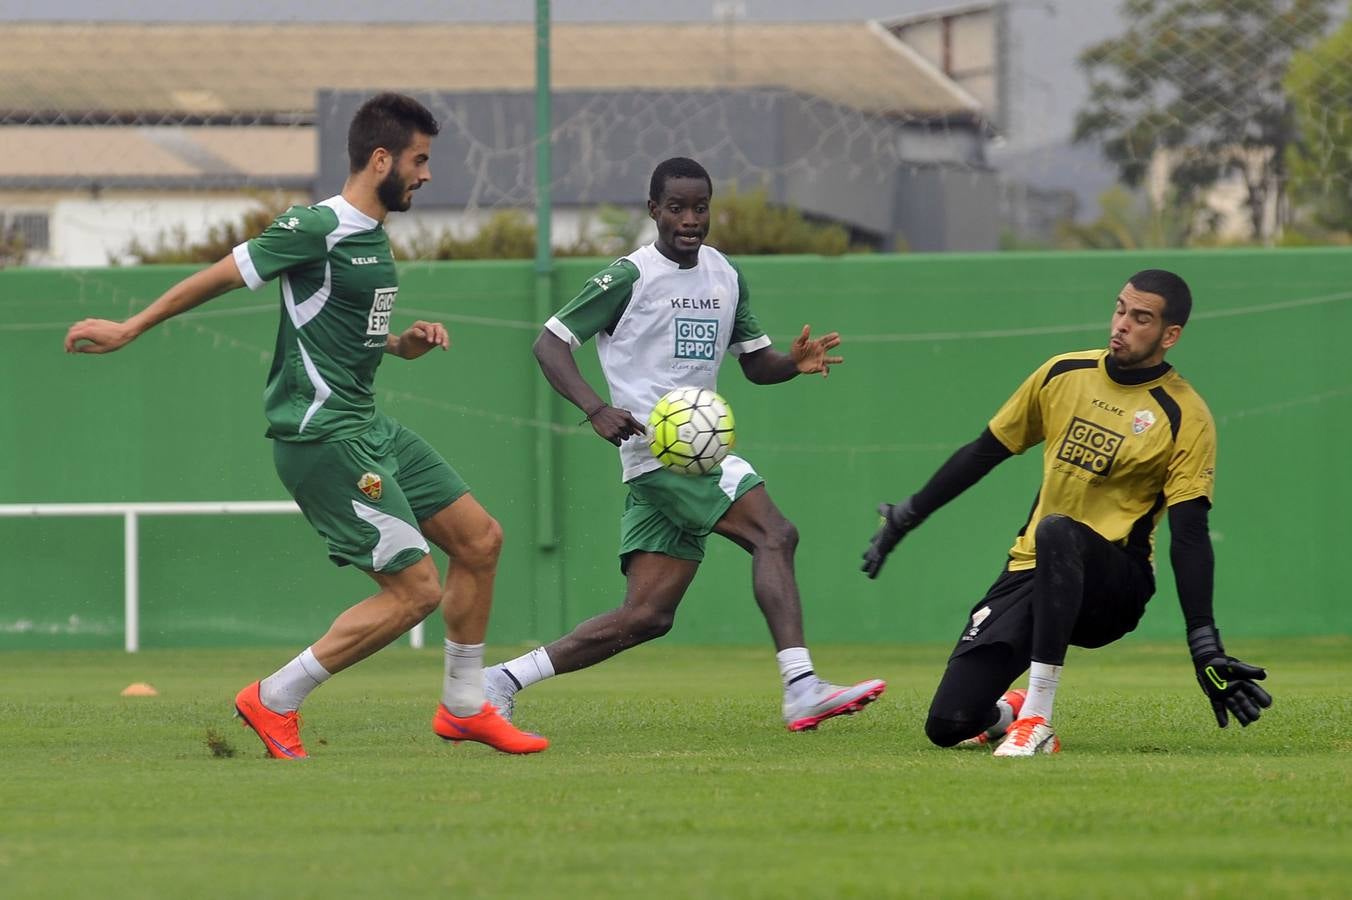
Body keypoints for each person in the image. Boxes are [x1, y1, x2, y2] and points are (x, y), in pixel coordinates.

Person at [64, 93, 546, 759]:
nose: (426, 174)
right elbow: (220, 276)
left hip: (368, 425)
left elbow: (342, 332)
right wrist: (131, 326)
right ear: (381, 159)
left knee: (481, 541)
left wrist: (404, 343)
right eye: (419, 160)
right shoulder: (315, 227)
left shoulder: (371, 239)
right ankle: (275, 697)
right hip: (322, 437)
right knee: (416, 591)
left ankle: (465, 706)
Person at [484, 157, 885, 732]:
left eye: (700, 208)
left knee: (645, 616)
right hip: (662, 454)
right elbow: (550, 344)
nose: (690, 219)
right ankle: (801, 686)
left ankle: (502, 679)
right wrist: (595, 408)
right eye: (676, 208)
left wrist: (792, 365)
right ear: (654, 211)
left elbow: (754, 365)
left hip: (692, 452)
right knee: (776, 533)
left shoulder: (725, 274)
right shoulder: (629, 277)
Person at [860, 269, 1272, 756]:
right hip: (1032, 568)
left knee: (1059, 531)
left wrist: (1204, 641)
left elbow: (1189, 534)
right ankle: (1009, 712)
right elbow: (983, 452)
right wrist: (906, 516)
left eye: (1141, 318)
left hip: (1113, 586)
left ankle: (1038, 717)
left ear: (1169, 335)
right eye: (1120, 309)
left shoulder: (1184, 413)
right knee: (948, 723)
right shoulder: (1063, 373)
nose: (1122, 324)